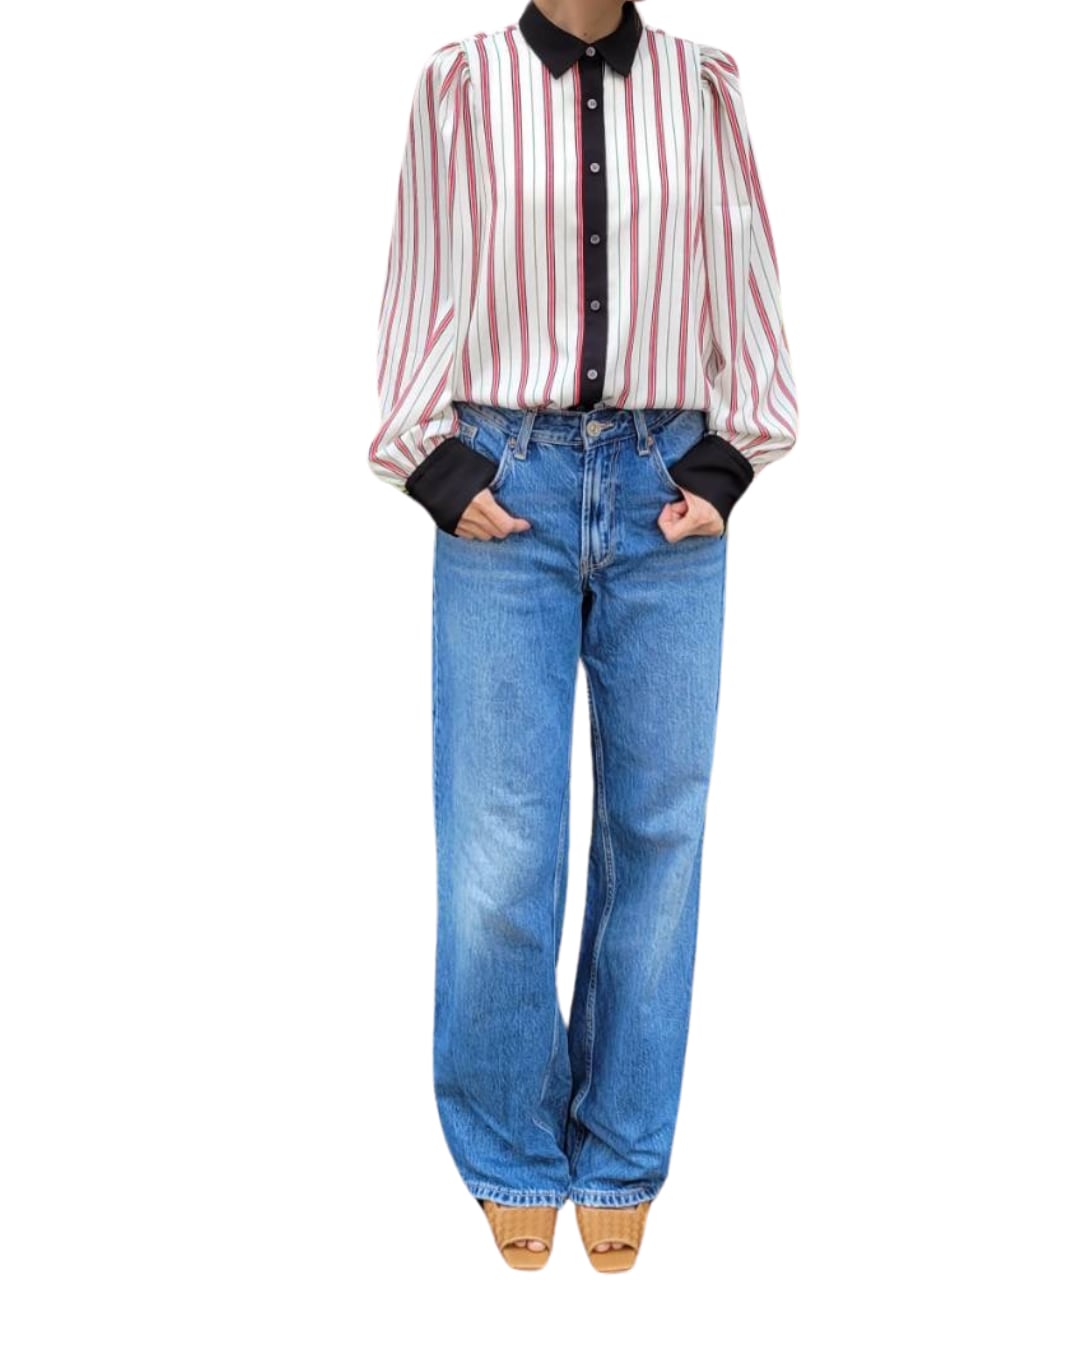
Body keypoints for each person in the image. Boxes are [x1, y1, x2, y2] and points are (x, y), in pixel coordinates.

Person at [367, 0, 798, 1272]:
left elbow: (746, 278)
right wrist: (435, 465)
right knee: (501, 837)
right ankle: (509, 1143)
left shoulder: (704, 87)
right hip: (508, 479)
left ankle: (621, 1145)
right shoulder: (461, 86)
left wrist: (728, 460)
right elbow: (420, 277)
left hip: (668, 485)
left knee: (658, 830)